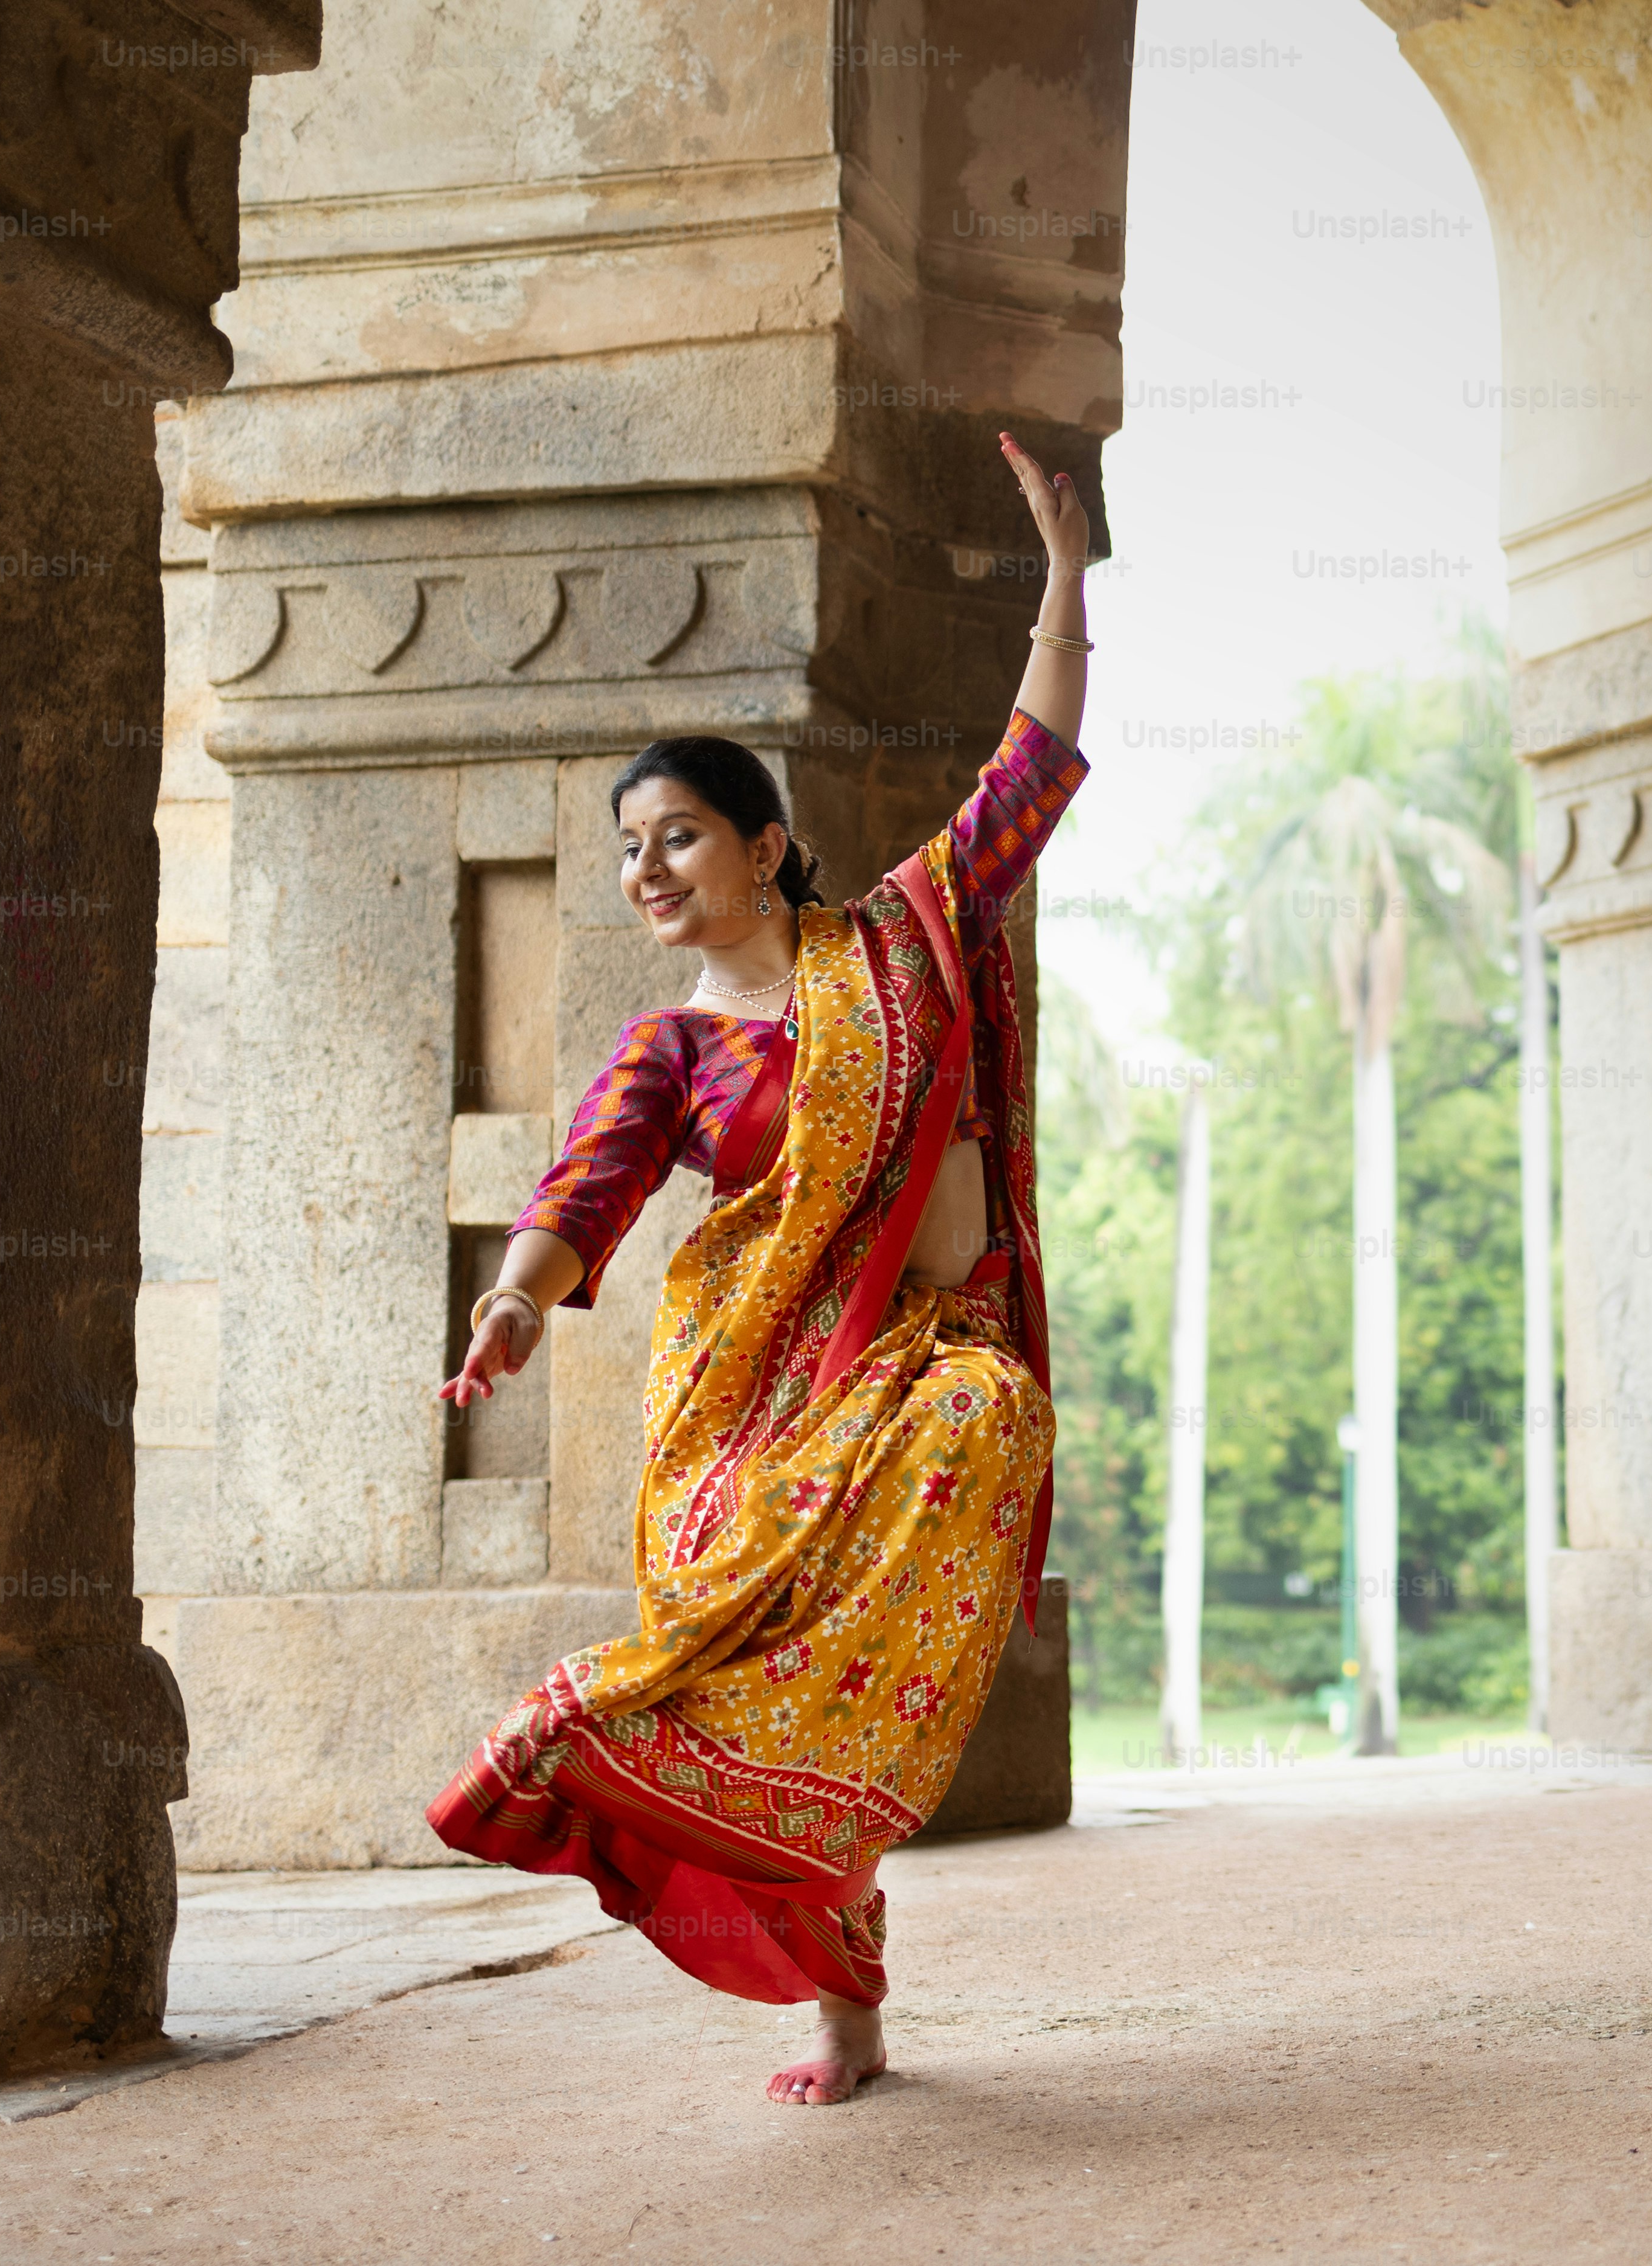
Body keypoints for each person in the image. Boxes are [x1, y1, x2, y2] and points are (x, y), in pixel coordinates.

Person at [425, 432, 1092, 2105]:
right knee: (749, 1660)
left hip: (913, 1358)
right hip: (746, 1401)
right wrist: (514, 1298)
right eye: (629, 853)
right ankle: (831, 1991)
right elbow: (589, 1180)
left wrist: (1067, 585)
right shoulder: (671, 1045)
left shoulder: (903, 939)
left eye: (676, 838)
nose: (648, 871)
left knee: (982, 1420)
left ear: (765, 842)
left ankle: (827, 1872)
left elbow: (1027, 774)